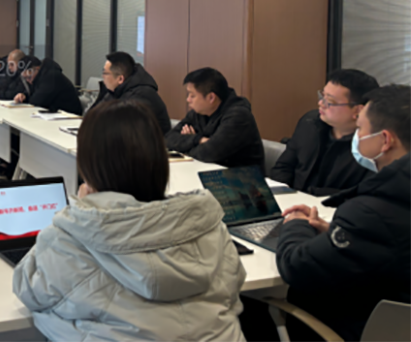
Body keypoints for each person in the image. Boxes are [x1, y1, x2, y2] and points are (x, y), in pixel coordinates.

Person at [13, 100, 246, 341]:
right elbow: (233, 287)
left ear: (88, 165)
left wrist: (81, 211)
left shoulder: (70, 236)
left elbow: (28, 289)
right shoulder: (209, 227)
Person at [277, 84, 411, 342]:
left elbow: (296, 267)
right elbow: (395, 243)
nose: (356, 137)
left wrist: (296, 223)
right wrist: (334, 232)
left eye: (360, 129)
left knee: (253, 307)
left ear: (385, 140)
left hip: (358, 327)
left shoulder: (372, 211)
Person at [270, 69, 379, 196]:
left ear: (358, 110)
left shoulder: (373, 145)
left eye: (330, 102)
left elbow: (363, 195)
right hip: (293, 200)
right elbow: (283, 167)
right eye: (322, 96)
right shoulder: (310, 123)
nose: (321, 103)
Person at [165, 68, 264, 169]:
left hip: (242, 176)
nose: (188, 100)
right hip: (211, 170)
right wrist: (198, 139)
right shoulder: (199, 113)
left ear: (211, 98)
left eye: (192, 96)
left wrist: (185, 145)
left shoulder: (238, 116)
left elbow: (208, 153)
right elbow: (168, 139)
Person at [90, 51, 171, 134]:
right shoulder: (115, 91)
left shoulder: (142, 96)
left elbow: (119, 128)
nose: (102, 76)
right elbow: (92, 117)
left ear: (120, 79)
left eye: (105, 73)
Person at [13, 57, 82, 116]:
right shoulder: (40, 76)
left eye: (29, 77)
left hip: (69, 116)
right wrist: (24, 96)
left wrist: (28, 98)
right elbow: (34, 96)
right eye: (25, 79)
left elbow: (37, 102)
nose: (28, 81)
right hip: (57, 114)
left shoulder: (51, 76)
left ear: (37, 69)